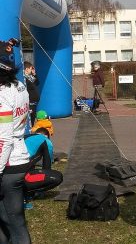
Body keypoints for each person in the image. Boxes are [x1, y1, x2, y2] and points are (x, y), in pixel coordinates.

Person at [0, 39, 31, 243]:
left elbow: (4, 137)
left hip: (8, 164)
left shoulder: (2, 94)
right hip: (20, 158)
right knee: (8, 219)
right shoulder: (19, 85)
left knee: (13, 221)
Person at [23, 127, 63, 209]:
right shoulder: (45, 140)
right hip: (20, 177)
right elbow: (47, 166)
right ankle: (27, 194)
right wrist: (41, 191)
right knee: (57, 177)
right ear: (46, 136)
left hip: (7, 176)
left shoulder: (25, 137)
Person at [24, 61, 40, 127]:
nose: (32, 70)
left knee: (33, 119)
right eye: (31, 69)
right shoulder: (24, 78)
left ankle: (31, 129)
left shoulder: (29, 77)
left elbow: (37, 83)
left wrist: (34, 74)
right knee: (30, 120)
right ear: (27, 69)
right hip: (30, 103)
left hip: (34, 103)